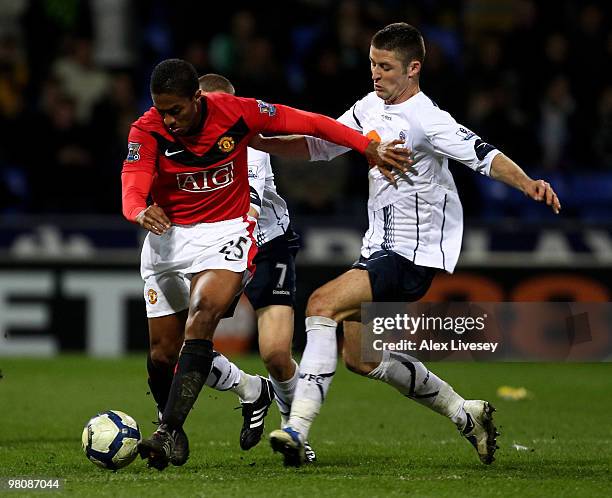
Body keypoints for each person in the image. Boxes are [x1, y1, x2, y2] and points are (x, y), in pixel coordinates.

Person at [256, 23, 561, 466]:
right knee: (362, 358)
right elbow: (321, 146)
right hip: (377, 246)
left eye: (386, 67)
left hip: (412, 253)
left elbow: (483, 154)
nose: (376, 75)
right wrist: (261, 141)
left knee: (321, 305)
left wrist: (528, 183)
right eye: (372, 65)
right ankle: (465, 412)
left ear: (413, 68)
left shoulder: (428, 118)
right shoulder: (367, 107)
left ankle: (296, 428)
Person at [121, 58, 411, 471]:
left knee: (203, 318)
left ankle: (168, 431)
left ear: (198, 98)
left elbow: (310, 122)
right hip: (168, 237)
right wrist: (137, 210)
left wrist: (367, 145)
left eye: (175, 110)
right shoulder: (146, 129)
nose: (167, 119)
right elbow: (132, 180)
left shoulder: (236, 112)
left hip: (225, 232)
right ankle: (235, 400)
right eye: (161, 109)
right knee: (162, 354)